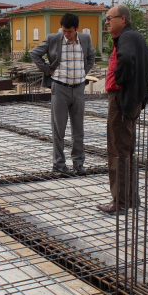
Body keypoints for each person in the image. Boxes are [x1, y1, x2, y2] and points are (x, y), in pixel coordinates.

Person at [96, 4, 148, 213]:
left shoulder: (126, 38)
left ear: (122, 19)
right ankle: (130, 199)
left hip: (122, 100)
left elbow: (128, 60)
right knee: (127, 150)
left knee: (118, 151)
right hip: (131, 99)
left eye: (109, 18)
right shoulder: (135, 36)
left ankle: (120, 202)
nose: (107, 22)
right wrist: (139, 86)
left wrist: (123, 83)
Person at [30, 13, 96, 175]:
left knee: (78, 129)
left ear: (76, 29)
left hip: (78, 88)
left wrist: (83, 72)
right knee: (59, 130)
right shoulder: (54, 39)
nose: (66, 34)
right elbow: (34, 53)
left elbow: (91, 57)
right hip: (60, 89)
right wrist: (48, 69)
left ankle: (78, 164)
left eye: (69, 32)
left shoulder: (85, 40)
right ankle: (59, 165)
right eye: (64, 31)